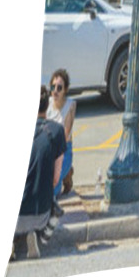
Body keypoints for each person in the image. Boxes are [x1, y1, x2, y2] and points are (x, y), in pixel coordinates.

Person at [13, 86, 67, 260]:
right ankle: (37, 235)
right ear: (47, 104)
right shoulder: (57, 131)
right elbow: (56, 179)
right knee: (51, 194)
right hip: (41, 215)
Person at [46, 68, 76, 197]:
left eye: (59, 88)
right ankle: (67, 173)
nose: (55, 91)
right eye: (53, 87)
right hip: (49, 149)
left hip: (63, 150)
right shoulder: (47, 104)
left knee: (52, 185)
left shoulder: (70, 106)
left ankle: (66, 171)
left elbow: (65, 134)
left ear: (65, 90)